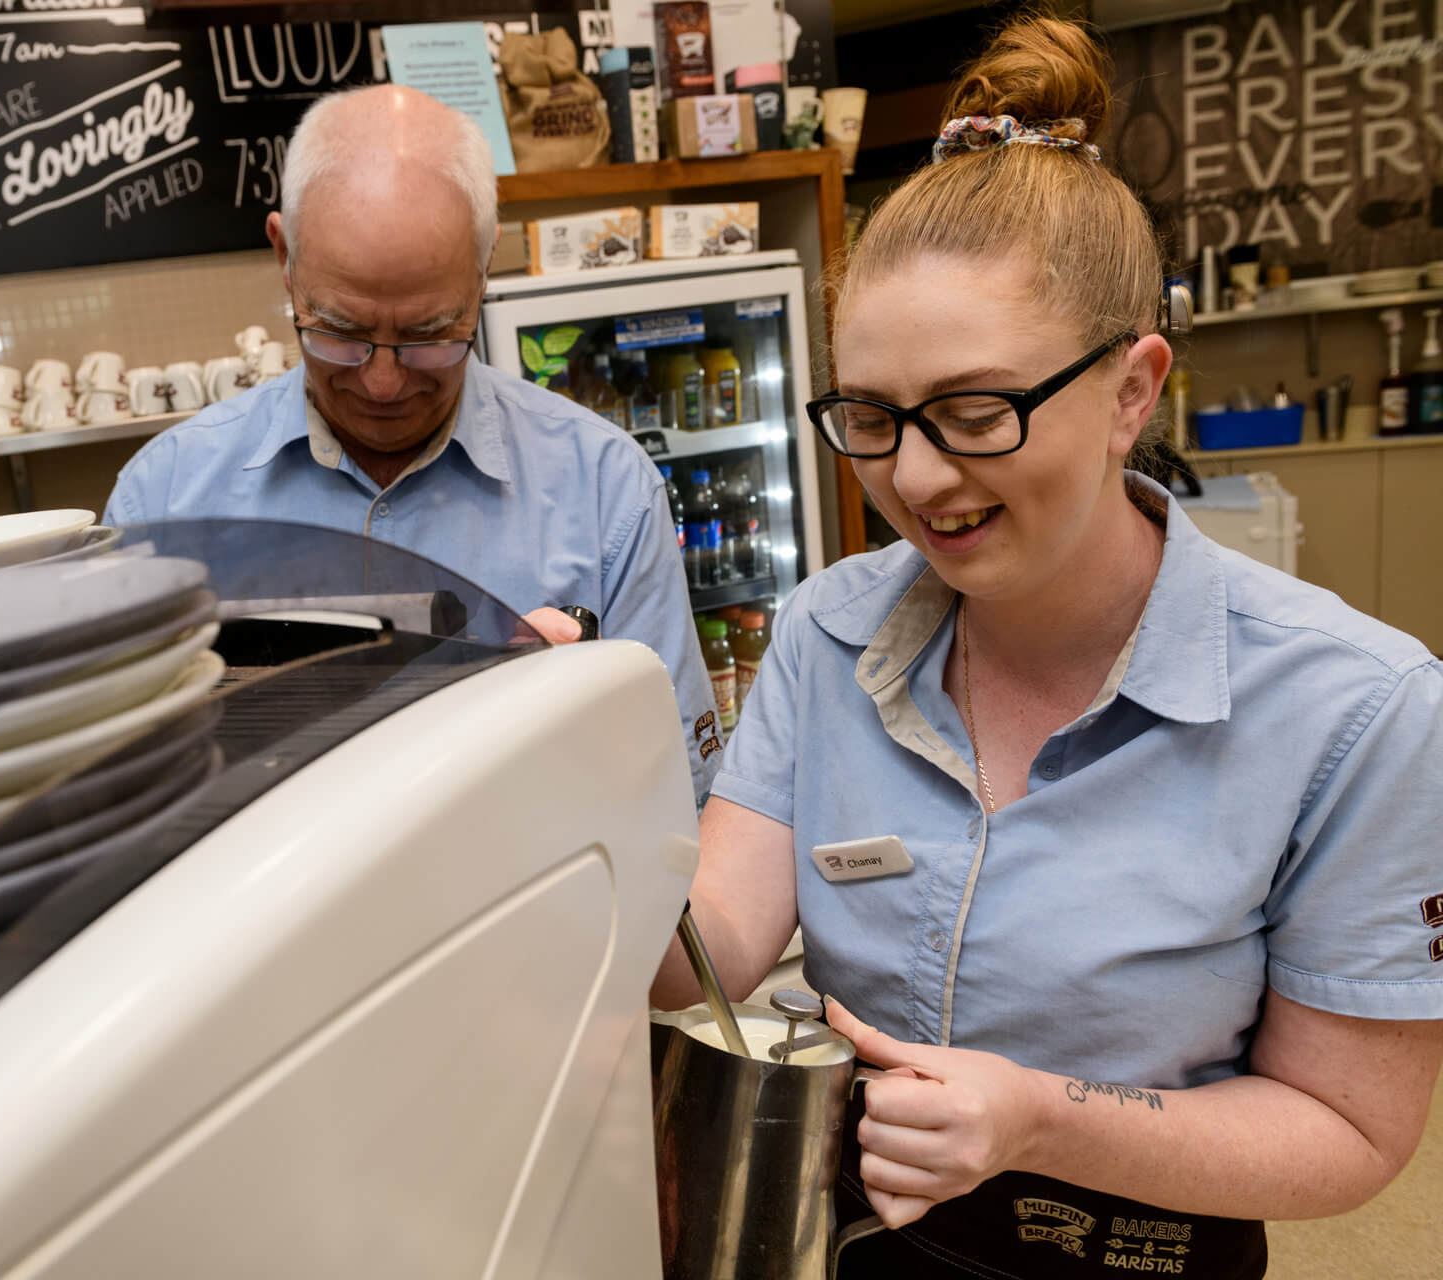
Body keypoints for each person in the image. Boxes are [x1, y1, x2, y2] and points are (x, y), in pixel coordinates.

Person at [651, 18, 1443, 1278]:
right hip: (853, 1232)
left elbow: (1350, 1127)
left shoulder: (1357, 709)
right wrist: (546, 796)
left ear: (1136, 388)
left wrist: (1035, 1118)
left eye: (976, 411)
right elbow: (707, 950)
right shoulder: (825, 629)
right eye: (871, 417)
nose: (913, 477)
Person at [105, 85, 721, 796]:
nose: (385, 384)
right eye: (339, 332)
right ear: (284, 257)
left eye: (430, 336)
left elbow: (677, 786)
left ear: (484, 270)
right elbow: (118, 788)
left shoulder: (607, 491)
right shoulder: (165, 502)